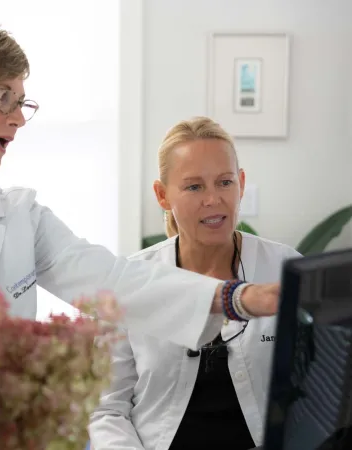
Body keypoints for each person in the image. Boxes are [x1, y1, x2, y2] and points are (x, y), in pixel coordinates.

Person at [0, 19, 280, 353]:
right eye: (3, 97)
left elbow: (115, 281)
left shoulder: (20, 220)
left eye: (22, 103)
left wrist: (237, 297)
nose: (18, 118)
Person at [89, 117, 302, 450]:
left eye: (224, 182)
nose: (213, 199)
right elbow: (106, 407)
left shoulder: (285, 268)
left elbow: (317, 390)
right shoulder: (128, 283)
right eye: (194, 186)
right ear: (162, 195)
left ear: (241, 184)